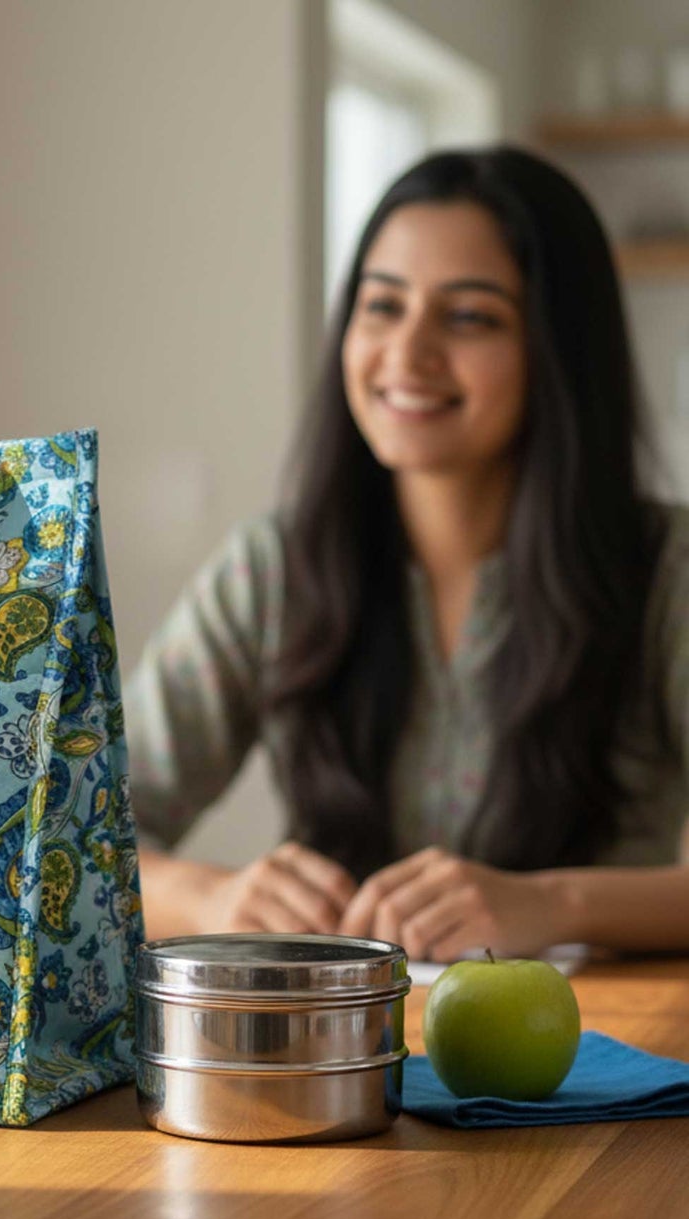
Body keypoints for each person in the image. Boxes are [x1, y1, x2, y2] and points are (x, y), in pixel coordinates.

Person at [125, 145, 689, 961]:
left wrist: (548, 903)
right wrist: (210, 891)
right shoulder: (272, 572)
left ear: (557, 350)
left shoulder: (666, 573)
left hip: (606, 1057)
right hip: (338, 1057)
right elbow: (67, 841)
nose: (407, 353)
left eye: (469, 317)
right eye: (381, 305)